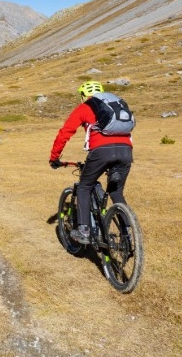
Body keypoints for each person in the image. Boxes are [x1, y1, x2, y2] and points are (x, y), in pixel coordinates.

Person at [48, 81, 133, 244]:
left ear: (83, 96)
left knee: (84, 186)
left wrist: (54, 157)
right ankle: (128, 231)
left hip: (101, 152)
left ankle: (84, 230)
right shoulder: (116, 104)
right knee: (116, 192)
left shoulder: (85, 107)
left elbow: (64, 133)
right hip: (126, 150)